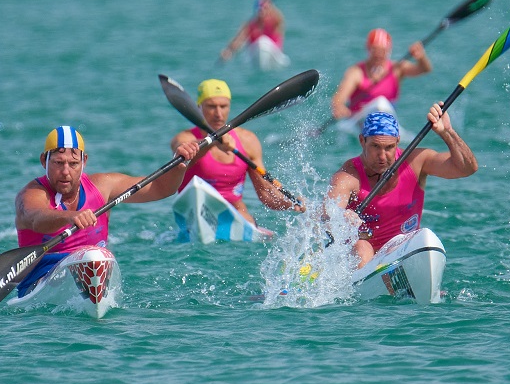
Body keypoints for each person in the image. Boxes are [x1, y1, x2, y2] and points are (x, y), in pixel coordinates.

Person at [14, 125, 200, 296]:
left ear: (84, 161)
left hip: (94, 269)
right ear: (43, 160)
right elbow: (35, 219)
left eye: (73, 164)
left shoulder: (103, 186)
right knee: (94, 257)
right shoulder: (32, 194)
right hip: (39, 283)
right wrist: (70, 216)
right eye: (57, 163)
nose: (65, 172)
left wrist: (179, 166)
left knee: (96, 256)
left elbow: (161, 188)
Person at [325, 108, 477, 268]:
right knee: (362, 248)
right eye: (375, 146)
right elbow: (327, 214)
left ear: (398, 141)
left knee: (426, 239)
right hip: (361, 259)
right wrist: (340, 216)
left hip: (401, 251)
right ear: (362, 141)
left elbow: (466, 169)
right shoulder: (348, 176)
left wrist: (447, 133)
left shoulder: (417, 161)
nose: (382, 157)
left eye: (389, 147)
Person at [170, 78, 304, 225]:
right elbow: (184, 153)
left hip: (235, 211)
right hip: (193, 211)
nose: (218, 114)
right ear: (198, 107)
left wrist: (290, 203)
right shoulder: (185, 138)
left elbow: (265, 193)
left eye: (223, 106)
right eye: (211, 106)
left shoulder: (247, 141)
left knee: (250, 221)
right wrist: (212, 142)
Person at [331, 28, 433, 121]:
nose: (378, 54)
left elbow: (424, 69)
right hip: (359, 120)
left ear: (389, 51)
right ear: (368, 49)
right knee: (380, 103)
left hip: (388, 118)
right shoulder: (356, 72)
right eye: (374, 50)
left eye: (383, 51)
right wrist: (338, 106)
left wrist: (421, 56)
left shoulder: (397, 68)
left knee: (381, 103)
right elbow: (339, 97)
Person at [220, 0, 285, 62]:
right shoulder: (250, 25)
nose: (262, 11)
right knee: (261, 42)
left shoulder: (275, 21)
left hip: (273, 53)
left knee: (263, 42)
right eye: (260, 9)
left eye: (265, 8)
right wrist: (229, 50)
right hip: (255, 54)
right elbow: (239, 40)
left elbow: (279, 17)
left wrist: (269, 5)